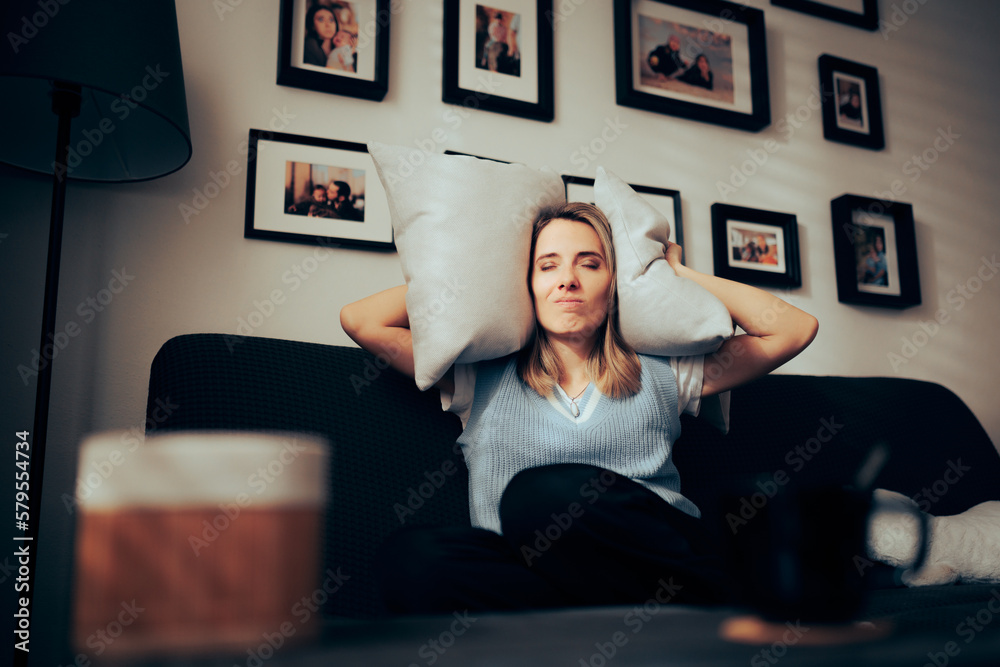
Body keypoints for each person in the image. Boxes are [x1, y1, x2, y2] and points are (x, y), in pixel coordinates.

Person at [340, 202, 818, 614]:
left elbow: (791, 329)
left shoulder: (663, 372)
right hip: (532, 571)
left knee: (545, 496)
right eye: (547, 266)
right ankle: (597, 629)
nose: (567, 280)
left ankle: (694, 599)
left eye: (589, 264)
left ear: (614, 286)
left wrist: (673, 274)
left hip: (652, 559)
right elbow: (361, 320)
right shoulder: (475, 374)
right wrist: (485, 273)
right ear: (523, 284)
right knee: (412, 557)